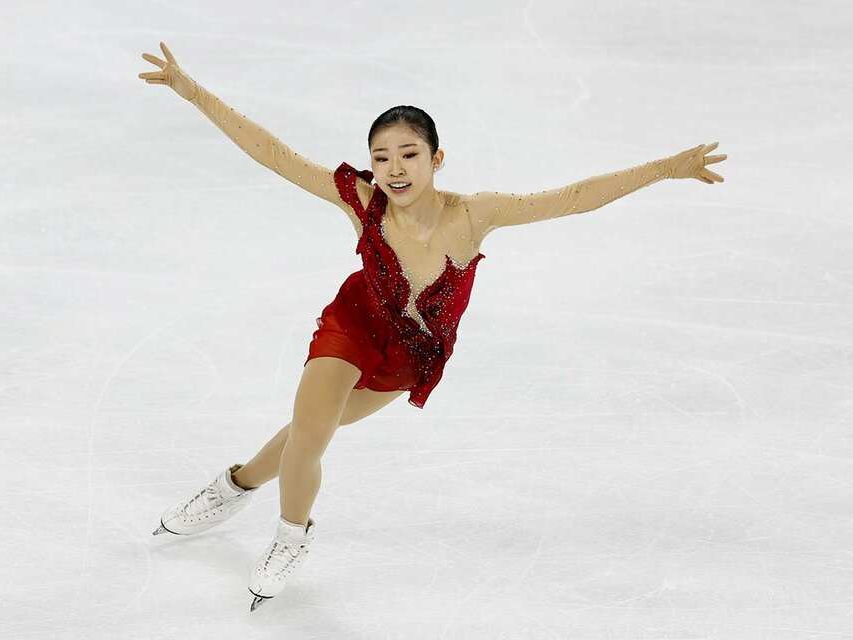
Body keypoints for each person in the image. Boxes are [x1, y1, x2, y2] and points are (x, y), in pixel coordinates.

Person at [138, 41, 727, 611]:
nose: (394, 170)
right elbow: (274, 153)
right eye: (382, 157)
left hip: (410, 356)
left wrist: (664, 168)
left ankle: (235, 485)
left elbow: (572, 197)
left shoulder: (476, 214)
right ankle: (291, 538)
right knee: (312, 436)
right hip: (353, 324)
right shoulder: (362, 201)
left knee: (305, 432)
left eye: (409, 154)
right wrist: (192, 91)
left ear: (436, 158)